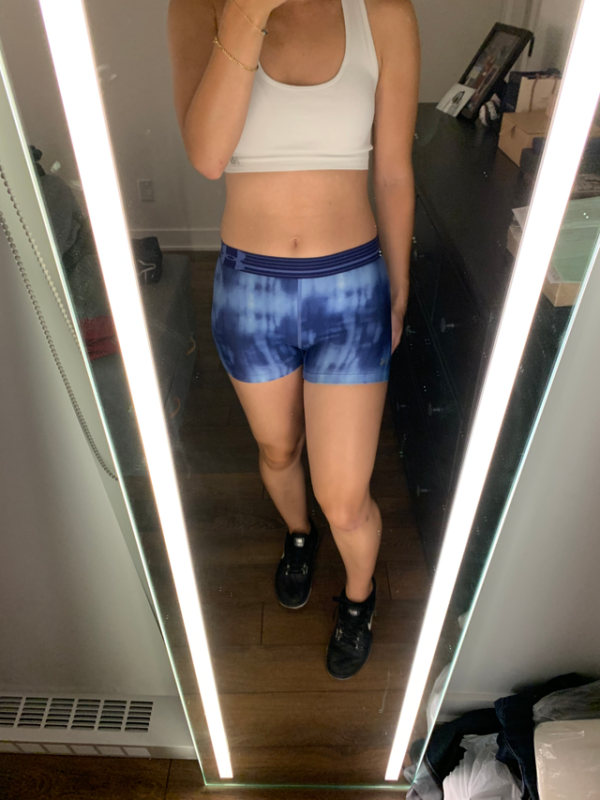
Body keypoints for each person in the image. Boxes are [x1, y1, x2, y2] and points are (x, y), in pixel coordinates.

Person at [168, 0, 419, 679]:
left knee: (346, 497)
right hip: (250, 293)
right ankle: (299, 535)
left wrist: (398, 289)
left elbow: (393, 171)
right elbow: (208, 156)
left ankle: (359, 599)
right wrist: (248, 10)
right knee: (279, 449)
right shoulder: (199, 9)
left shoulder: (384, 13)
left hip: (352, 291)